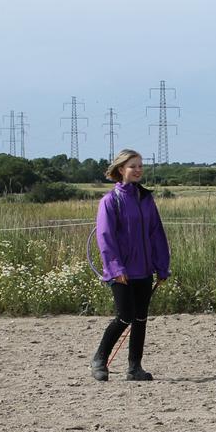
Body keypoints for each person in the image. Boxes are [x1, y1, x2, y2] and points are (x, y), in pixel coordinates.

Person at [89, 149, 171, 381]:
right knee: (125, 316)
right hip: (121, 273)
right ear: (120, 170)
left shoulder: (146, 199)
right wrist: (115, 269)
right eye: (132, 166)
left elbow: (156, 233)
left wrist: (161, 266)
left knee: (141, 318)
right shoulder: (109, 201)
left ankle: (135, 368)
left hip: (144, 270)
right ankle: (99, 360)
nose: (138, 170)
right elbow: (105, 237)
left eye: (140, 166)